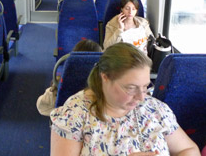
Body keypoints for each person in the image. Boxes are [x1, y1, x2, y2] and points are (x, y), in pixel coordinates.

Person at [50, 42, 200, 156]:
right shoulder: (75, 114)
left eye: (145, 87)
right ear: (105, 77)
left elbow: (190, 150)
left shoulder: (155, 109)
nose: (142, 98)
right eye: (131, 88)